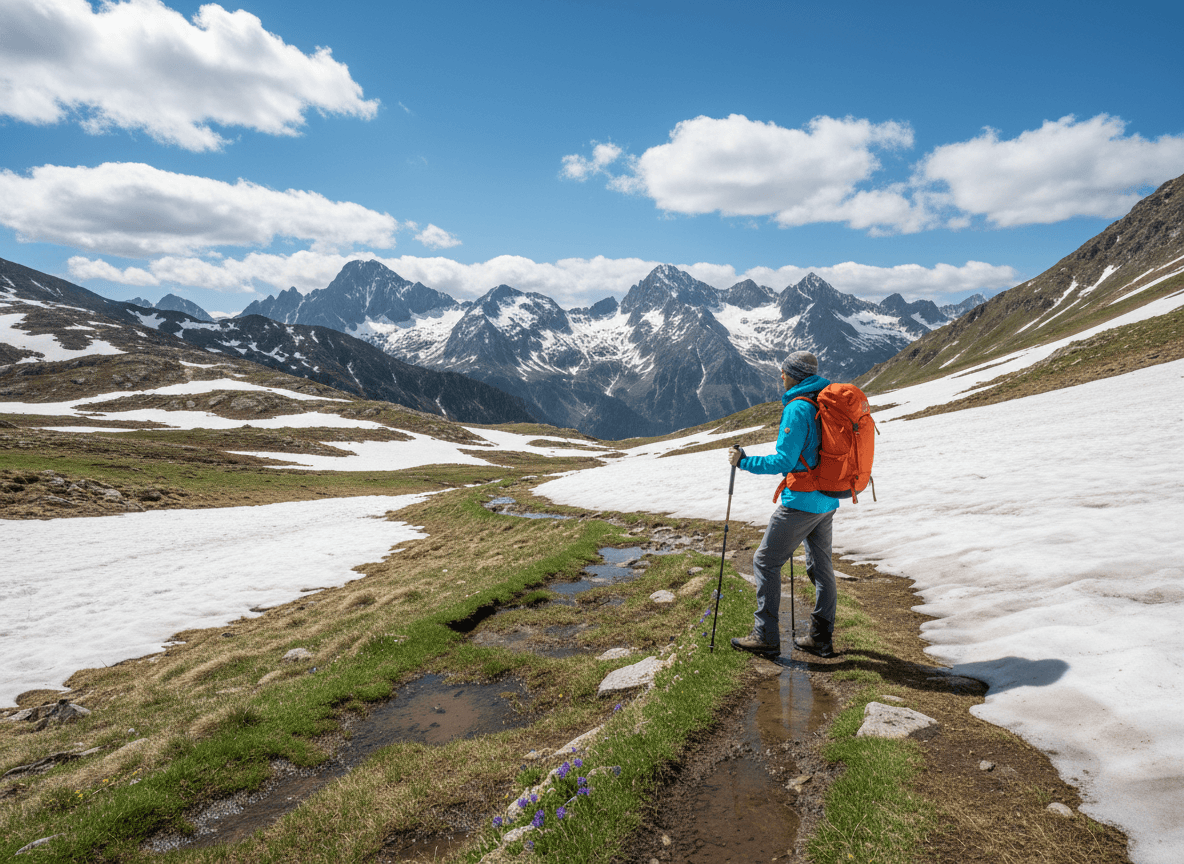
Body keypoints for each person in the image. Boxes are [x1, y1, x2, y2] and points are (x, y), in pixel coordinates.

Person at [727, 351, 839, 658]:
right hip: (827, 498)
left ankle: (765, 635)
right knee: (821, 565)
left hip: (801, 500)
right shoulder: (823, 401)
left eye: (784, 371)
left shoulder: (798, 407)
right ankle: (821, 637)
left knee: (765, 561)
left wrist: (745, 462)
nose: (780, 375)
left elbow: (784, 461)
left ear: (795, 375)